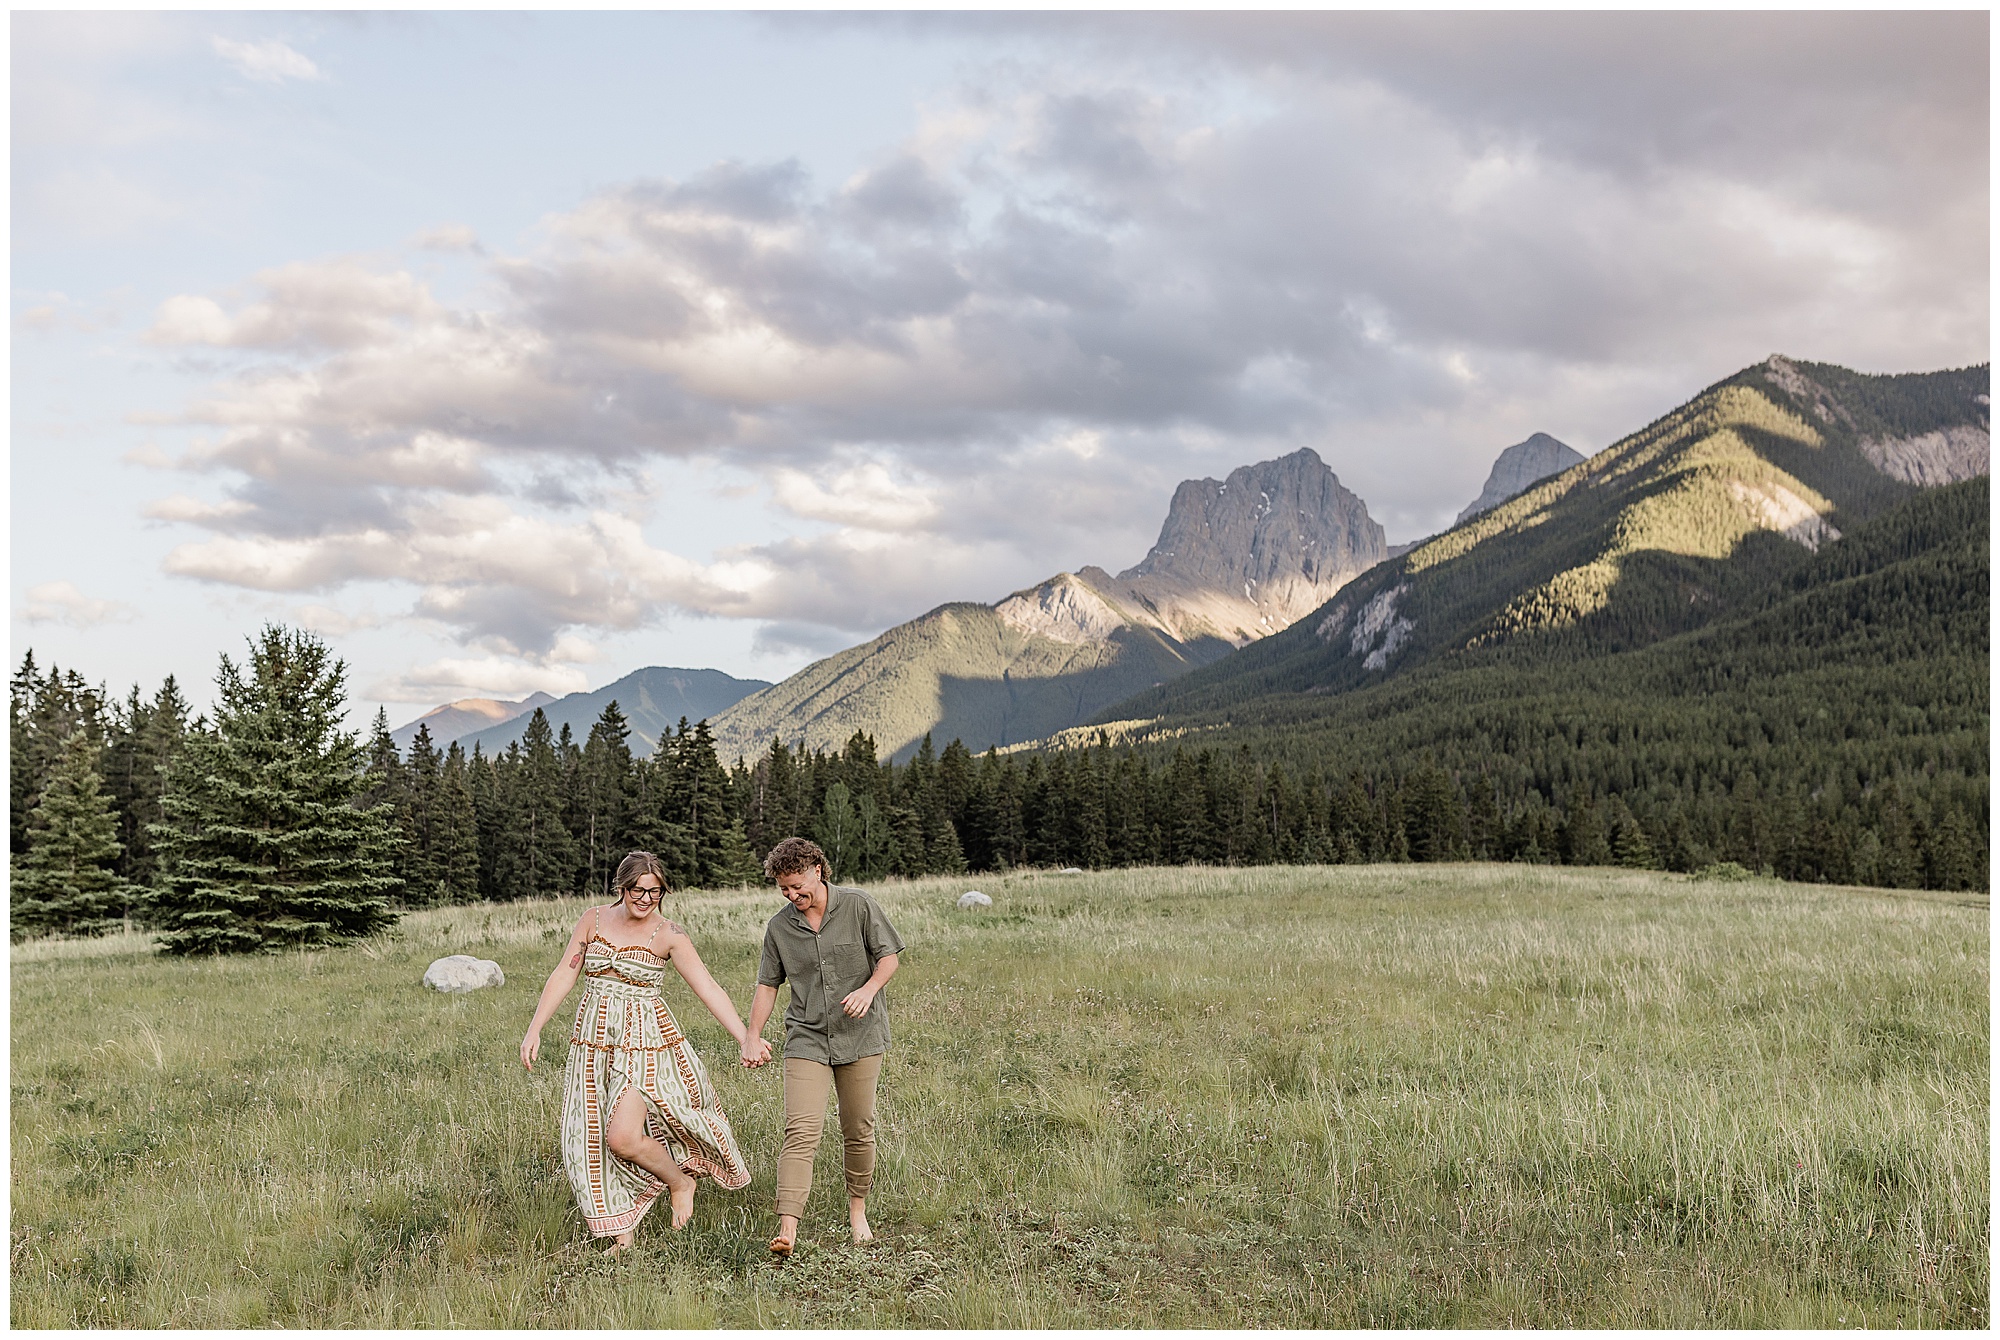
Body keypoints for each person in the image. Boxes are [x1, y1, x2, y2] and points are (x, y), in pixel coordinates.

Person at [520, 851, 770, 1254]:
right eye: (638, 890)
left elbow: (707, 987)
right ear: (622, 887)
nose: (646, 899)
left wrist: (747, 1037)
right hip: (593, 1045)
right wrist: (535, 1027)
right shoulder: (593, 919)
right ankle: (623, 1232)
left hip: (644, 1046)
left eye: (655, 892)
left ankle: (679, 1182)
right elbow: (565, 972)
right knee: (591, 1136)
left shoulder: (669, 933)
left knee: (621, 1137)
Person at [742, 836, 905, 1256]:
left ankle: (858, 1211)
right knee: (800, 1130)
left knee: (858, 1127)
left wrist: (868, 990)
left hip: (861, 1036)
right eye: (783, 889)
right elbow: (768, 984)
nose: (792, 895)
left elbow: (889, 958)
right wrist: (752, 1035)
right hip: (806, 1037)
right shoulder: (779, 928)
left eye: (798, 886)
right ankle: (788, 1228)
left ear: (818, 870)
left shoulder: (858, 905)